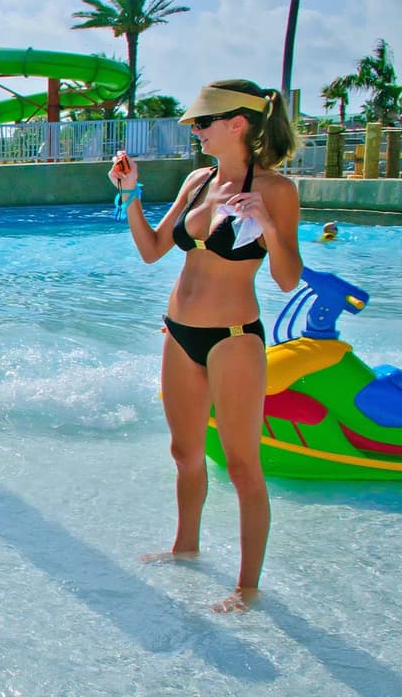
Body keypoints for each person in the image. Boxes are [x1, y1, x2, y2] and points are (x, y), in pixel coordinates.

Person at [108, 79, 302, 613]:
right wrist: (130, 192)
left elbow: (288, 279)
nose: (195, 130)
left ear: (236, 124)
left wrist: (266, 223)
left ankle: (248, 587)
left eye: (203, 122)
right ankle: (186, 548)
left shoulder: (277, 191)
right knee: (184, 453)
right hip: (179, 331)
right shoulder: (198, 181)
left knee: (242, 465)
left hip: (234, 339)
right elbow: (152, 250)